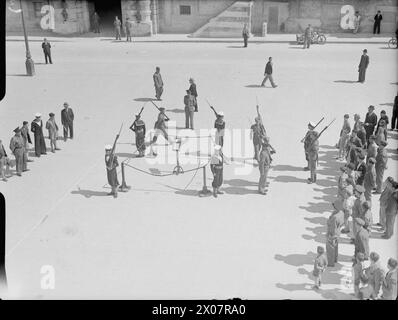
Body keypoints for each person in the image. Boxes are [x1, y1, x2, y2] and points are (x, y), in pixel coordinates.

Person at [326, 200, 344, 267]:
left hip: (332, 233)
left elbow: (332, 227)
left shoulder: (334, 217)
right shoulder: (341, 212)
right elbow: (342, 223)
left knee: (330, 248)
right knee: (335, 247)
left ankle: (331, 263)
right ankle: (335, 259)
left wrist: (330, 235)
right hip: (338, 232)